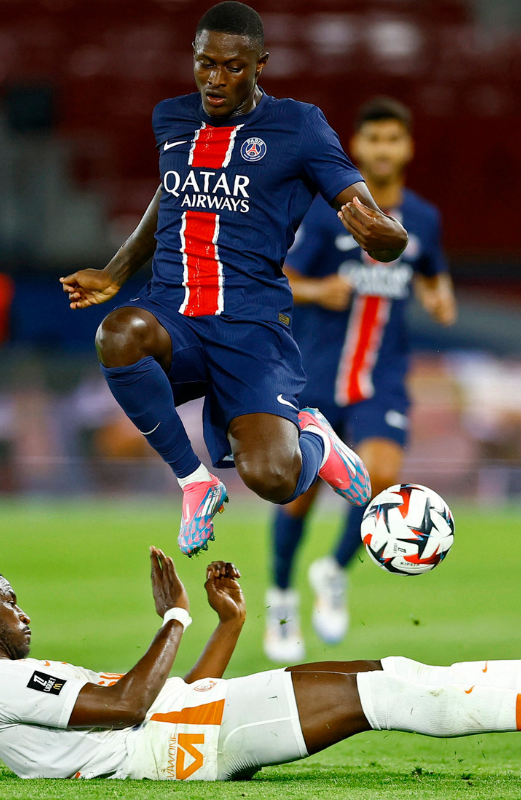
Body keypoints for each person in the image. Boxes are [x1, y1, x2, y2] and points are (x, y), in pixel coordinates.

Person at [60, 1, 410, 555]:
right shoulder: (171, 119)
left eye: (232, 67)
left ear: (259, 65)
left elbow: (368, 213)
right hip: (176, 313)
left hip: (250, 325)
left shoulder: (299, 126)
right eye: (205, 64)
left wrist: (389, 239)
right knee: (118, 334)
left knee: (273, 479)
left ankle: (313, 436)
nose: (215, 78)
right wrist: (115, 271)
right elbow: (169, 198)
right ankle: (195, 482)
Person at [0, 553, 521, 782]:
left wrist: (228, 624)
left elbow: (156, 691)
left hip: (189, 721)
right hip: (182, 747)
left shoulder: (0, 685)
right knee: (389, 693)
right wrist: (175, 617)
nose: (23, 615)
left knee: (395, 667)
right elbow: (127, 708)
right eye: (9, 605)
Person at [264, 97, 458, 661]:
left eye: (392, 139)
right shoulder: (327, 214)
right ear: (357, 147)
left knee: (380, 481)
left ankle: (334, 570)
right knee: (297, 500)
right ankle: (280, 599)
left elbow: (433, 273)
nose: (382, 149)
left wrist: (439, 297)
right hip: (315, 377)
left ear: (408, 148)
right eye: (372, 139)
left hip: (382, 379)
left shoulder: (422, 218)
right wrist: (318, 290)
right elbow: (277, 276)